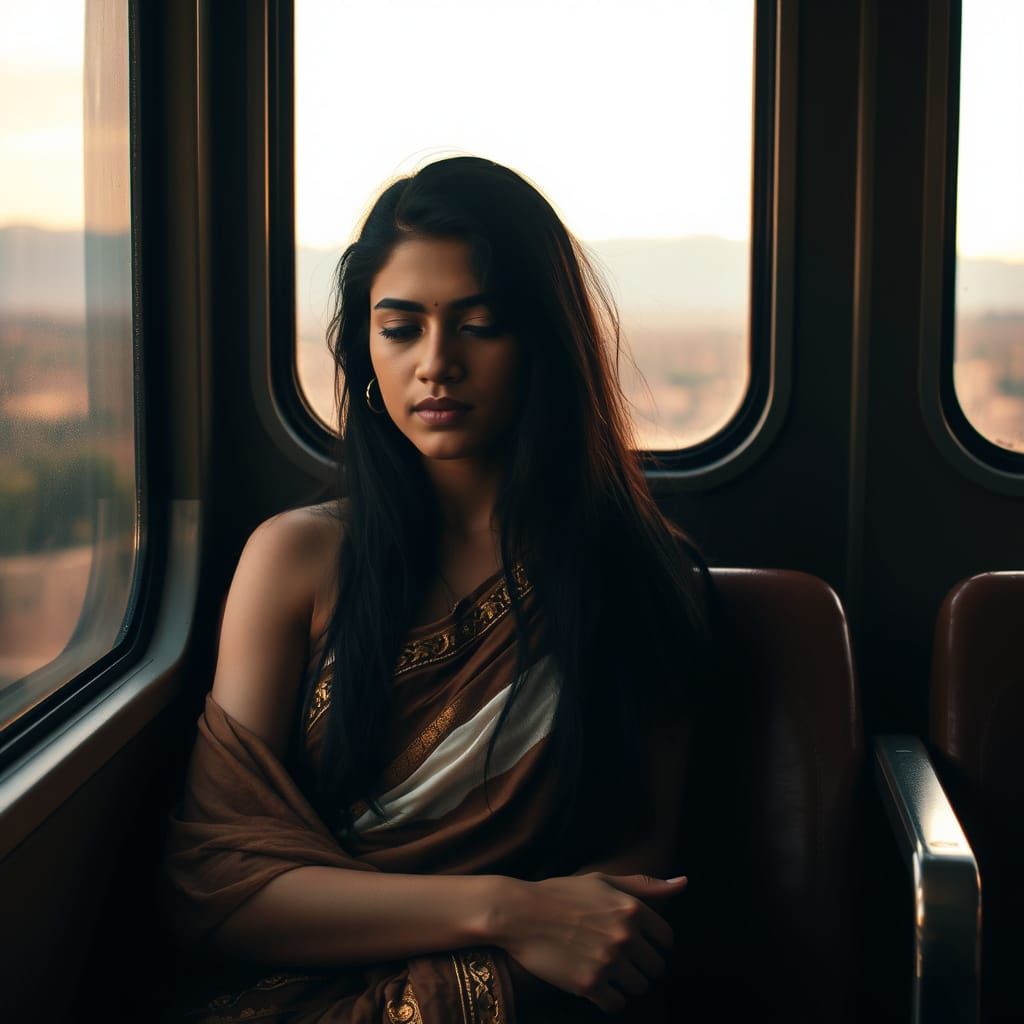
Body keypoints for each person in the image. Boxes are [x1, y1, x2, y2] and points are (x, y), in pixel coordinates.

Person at [163, 155, 714, 1023]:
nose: (436, 363)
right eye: (400, 328)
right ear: (364, 350)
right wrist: (504, 910)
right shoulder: (295, 561)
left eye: (479, 325)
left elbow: (624, 898)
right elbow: (216, 887)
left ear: (545, 342)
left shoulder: (640, 576)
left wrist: (497, 966)